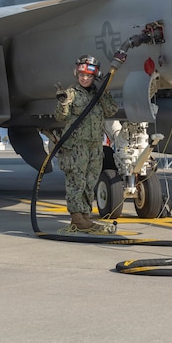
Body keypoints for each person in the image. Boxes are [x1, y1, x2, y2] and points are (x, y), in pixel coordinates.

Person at [54, 55, 118, 233]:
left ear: (94, 76)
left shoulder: (100, 94)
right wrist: (63, 103)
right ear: (77, 74)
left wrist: (103, 91)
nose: (84, 78)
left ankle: (85, 216)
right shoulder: (71, 94)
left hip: (95, 146)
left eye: (88, 76)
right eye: (81, 75)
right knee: (76, 181)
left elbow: (111, 110)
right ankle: (77, 218)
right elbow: (61, 117)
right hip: (76, 146)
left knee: (90, 182)